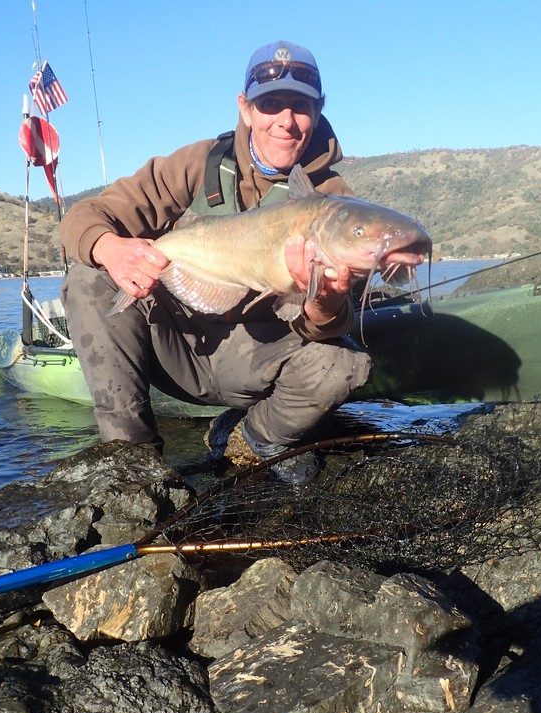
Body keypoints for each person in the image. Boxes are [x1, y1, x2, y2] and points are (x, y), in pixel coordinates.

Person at [59, 40, 423, 483]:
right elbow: (83, 219)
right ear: (246, 108)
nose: (286, 122)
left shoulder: (338, 205)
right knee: (87, 279)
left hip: (252, 363)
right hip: (175, 348)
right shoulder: (197, 164)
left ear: (319, 110)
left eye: (301, 107)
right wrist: (112, 250)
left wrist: (322, 305)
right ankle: (132, 463)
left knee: (342, 364)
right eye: (271, 104)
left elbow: (325, 327)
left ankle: (255, 433)